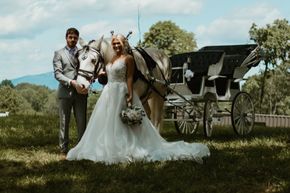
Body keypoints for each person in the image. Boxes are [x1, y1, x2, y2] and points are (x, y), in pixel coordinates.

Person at [66, 34, 210, 164]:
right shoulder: (111, 59)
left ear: (124, 44)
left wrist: (129, 94)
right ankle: (108, 145)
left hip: (121, 90)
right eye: (114, 44)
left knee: (121, 120)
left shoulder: (128, 59)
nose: (116, 46)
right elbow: (106, 72)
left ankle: (129, 145)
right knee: (108, 120)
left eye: (118, 43)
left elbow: (129, 77)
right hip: (109, 92)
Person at [53, 27, 88, 156]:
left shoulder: (83, 53)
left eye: (75, 38)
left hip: (81, 93)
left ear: (78, 39)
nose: (73, 40)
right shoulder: (59, 53)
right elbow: (58, 74)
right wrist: (71, 82)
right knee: (64, 121)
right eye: (70, 37)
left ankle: (81, 148)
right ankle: (63, 149)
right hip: (65, 92)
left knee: (82, 121)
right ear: (66, 37)